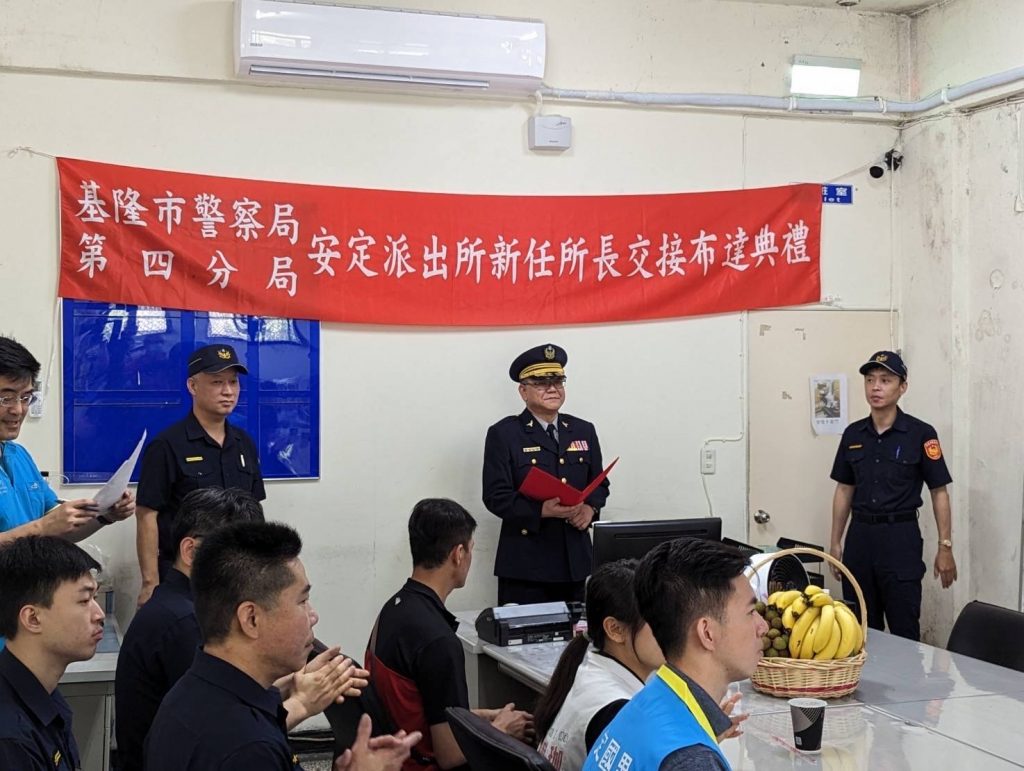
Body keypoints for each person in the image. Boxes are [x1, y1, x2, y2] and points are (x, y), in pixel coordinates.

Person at [145, 520, 416, 770]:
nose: (313, 616)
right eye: (302, 601)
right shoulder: (250, 749)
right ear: (251, 619)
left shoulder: (185, 695)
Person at [117, 487, 353, 771]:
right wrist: (301, 703)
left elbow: (229, 696)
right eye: (236, 550)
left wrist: (290, 685)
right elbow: (224, 728)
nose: (312, 616)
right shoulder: (184, 622)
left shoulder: (174, 606)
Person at [366, 498, 532, 771]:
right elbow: (451, 756)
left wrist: (479, 718)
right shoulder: (440, 642)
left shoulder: (393, 609)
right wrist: (501, 729)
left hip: (394, 754)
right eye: (471, 550)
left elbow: (418, 708)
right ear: (459, 554)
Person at [584, 538, 767, 771]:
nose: (763, 627)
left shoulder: (646, 702)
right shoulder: (689, 759)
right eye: (751, 612)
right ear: (707, 633)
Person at [829, 350, 957, 642]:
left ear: (902, 387)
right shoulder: (853, 435)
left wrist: (945, 546)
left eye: (885, 380)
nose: (875, 387)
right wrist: (835, 542)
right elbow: (844, 489)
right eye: (870, 380)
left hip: (900, 538)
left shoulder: (921, 434)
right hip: (860, 538)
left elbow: (939, 491)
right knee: (859, 629)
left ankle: (908, 675)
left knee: (904, 627)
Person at [135, 343, 266, 605]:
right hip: (186, 575)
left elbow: (255, 510)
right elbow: (147, 515)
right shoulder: (167, 445)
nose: (228, 391)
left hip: (238, 574)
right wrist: (150, 582)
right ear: (193, 386)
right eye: (217, 382)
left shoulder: (244, 443)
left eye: (233, 382)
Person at [483, 344, 610, 605]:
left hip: (574, 561)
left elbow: (600, 483)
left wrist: (590, 509)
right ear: (523, 391)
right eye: (541, 383)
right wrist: (540, 510)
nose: (552, 389)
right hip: (526, 565)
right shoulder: (504, 434)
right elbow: (495, 495)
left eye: (558, 381)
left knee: (577, 630)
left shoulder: (583, 430)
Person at [0, 336, 135, 546]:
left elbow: (58, 530)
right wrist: (40, 528)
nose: (18, 410)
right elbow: (45, 528)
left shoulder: (19, 456)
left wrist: (105, 515)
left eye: (25, 398)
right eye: (6, 399)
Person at [0, 535, 104, 769]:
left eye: (95, 598)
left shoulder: (44, 693)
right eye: (84, 600)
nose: (99, 614)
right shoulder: (11, 739)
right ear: (33, 618)